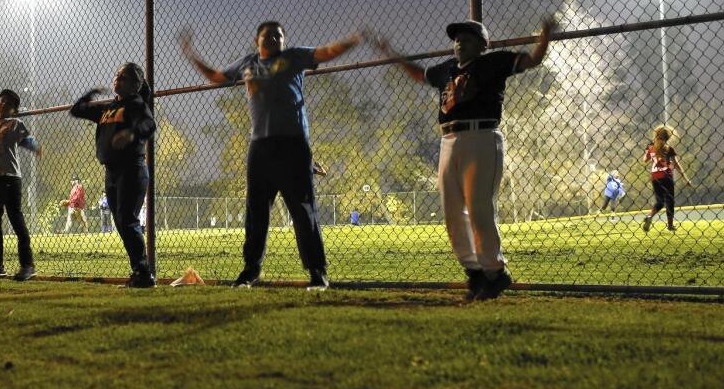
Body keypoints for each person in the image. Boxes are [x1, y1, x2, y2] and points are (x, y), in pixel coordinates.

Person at [372, 17, 556, 301]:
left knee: (479, 208)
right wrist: (391, 54)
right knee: (452, 212)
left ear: (483, 45)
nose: (459, 42)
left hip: (481, 136)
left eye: (468, 38)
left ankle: (495, 272)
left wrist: (544, 36)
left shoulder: (492, 62)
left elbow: (532, 60)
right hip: (448, 140)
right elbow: (420, 75)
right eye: (457, 38)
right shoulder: (446, 69)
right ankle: (475, 273)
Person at [179, 21, 364, 291]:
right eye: (269, 34)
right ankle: (250, 271)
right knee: (256, 213)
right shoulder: (248, 64)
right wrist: (190, 53)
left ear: (284, 40)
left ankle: (317, 272)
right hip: (260, 147)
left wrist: (352, 40)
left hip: (293, 146)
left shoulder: (293, 57)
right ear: (257, 40)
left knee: (303, 210)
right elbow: (217, 77)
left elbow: (324, 52)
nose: (275, 38)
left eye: (280, 35)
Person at [70, 63, 157, 288]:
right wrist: (92, 94)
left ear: (136, 85)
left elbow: (149, 124)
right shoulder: (108, 108)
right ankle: (139, 271)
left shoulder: (136, 104)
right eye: (117, 75)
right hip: (112, 172)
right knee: (121, 222)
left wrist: (131, 133)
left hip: (132, 169)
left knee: (127, 220)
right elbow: (76, 110)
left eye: (124, 77)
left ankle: (144, 273)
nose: (117, 79)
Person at [0, 89, 41, 282]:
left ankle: (27, 265)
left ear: (14, 110)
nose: (2, 104)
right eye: (1, 101)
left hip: (11, 179)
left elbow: (27, 141)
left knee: (16, 220)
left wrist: (35, 147)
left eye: (8, 104)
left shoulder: (15, 124)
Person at [642, 125, 693, 232]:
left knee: (660, 202)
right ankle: (670, 225)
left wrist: (648, 151)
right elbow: (677, 165)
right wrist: (685, 178)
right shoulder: (669, 149)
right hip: (667, 176)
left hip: (655, 177)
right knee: (670, 201)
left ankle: (650, 216)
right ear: (668, 138)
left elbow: (644, 160)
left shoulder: (651, 148)